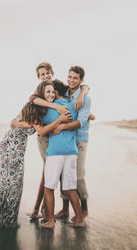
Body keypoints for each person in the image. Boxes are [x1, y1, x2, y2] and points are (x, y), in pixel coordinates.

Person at [0, 81, 71, 228]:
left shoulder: (42, 109)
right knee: (12, 182)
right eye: (47, 92)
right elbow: (40, 131)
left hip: (19, 146)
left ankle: (6, 217)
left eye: (52, 92)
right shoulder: (34, 107)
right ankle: (6, 220)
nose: (51, 94)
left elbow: (30, 125)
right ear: (41, 94)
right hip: (11, 145)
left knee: (15, 182)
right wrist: (60, 120)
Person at [22, 62, 91, 220]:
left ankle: (48, 210)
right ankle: (39, 209)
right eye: (42, 74)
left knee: (57, 174)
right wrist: (55, 108)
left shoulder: (58, 88)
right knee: (50, 173)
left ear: (52, 73)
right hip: (47, 136)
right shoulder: (39, 92)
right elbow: (32, 100)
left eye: (47, 73)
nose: (45, 76)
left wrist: (82, 94)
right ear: (38, 77)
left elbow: (84, 87)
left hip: (60, 135)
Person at [40, 79, 86, 229]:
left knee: (49, 186)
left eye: (52, 92)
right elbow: (85, 118)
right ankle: (80, 219)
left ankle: (51, 221)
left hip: (56, 152)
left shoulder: (48, 110)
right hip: (72, 151)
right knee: (69, 187)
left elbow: (40, 128)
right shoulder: (73, 106)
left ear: (56, 92)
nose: (51, 94)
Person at [53, 66, 91, 220]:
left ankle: (84, 207)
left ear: (81, 80)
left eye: (75, 78)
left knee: (78, 174)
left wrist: (62, 126)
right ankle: (65, 209)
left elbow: (81, 121)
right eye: (69, 76)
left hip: (79, 139)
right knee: (64, 174)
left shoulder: (85, 98)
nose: (71, 80)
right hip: (65, 139)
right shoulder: (65, 93)